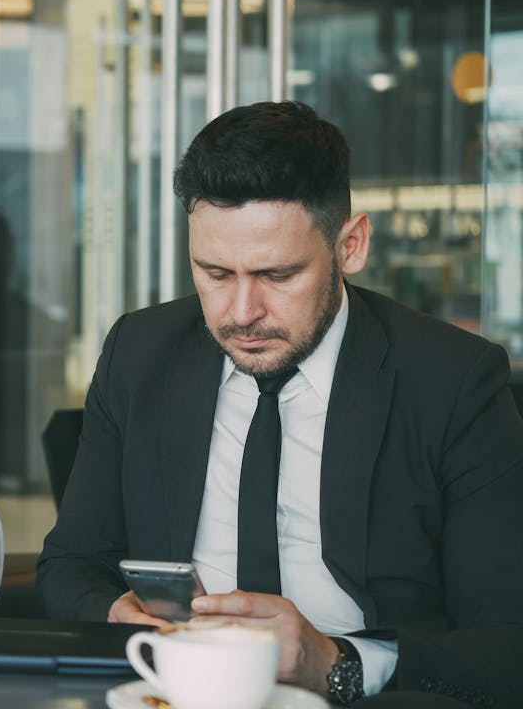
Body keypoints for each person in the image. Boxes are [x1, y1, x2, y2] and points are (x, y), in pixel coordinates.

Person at [37, 101, 523, 708]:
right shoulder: (140, 354)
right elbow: (70, 564)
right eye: (214, 273)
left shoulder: (451, 380)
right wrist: (119, 616)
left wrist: (334, 664)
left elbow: (508, 643)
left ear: (351, 245)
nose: (241, 313)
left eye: (277, 275)